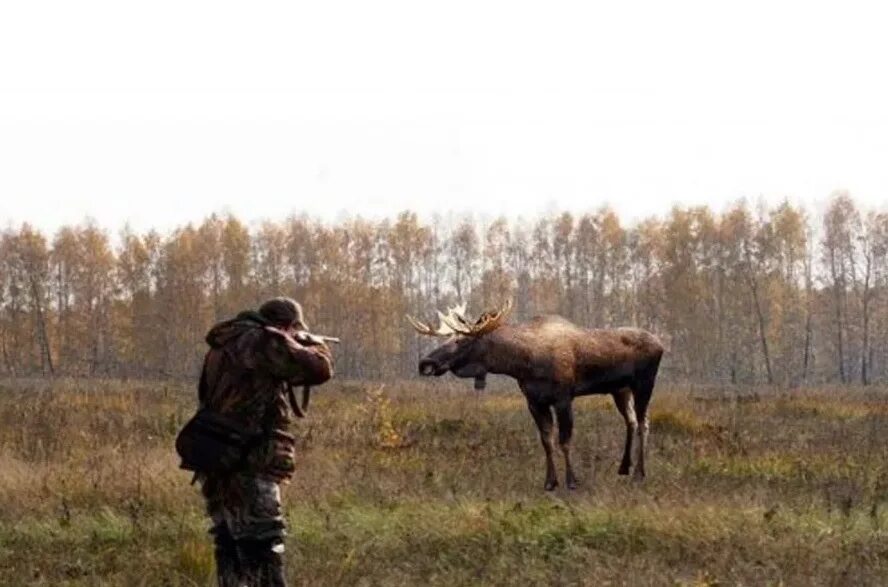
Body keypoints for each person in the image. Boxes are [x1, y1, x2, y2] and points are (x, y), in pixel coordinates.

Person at [194, 297, 334, 587]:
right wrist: (310, 344)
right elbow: (320, 369)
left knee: (229, 540)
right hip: (250, 456)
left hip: (217, 454)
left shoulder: (225, 343)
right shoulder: (264, 341)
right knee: (262, 542)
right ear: (286, 326)